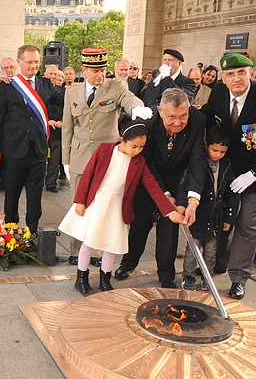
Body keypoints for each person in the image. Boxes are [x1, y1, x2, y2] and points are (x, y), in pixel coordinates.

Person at [59, 122, 185, 294]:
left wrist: (169, 211)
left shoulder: (139, 162)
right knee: (89, 241)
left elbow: (152, 186)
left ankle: (105, 277)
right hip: (98, 201)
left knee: (112, 243)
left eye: (141, 147)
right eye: (134, 146)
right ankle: (81, 277)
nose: (137, 151)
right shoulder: (105, 150)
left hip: (118, 206)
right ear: (122, 140)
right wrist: (80, 201)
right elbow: (88, 175)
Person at [201, 53, 256, 300]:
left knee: (247, 225)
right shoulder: (218, 92)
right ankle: (218, 263)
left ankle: (238, 277)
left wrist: (253, 174)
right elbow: (206, 116)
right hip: (225, 171)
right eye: (230, 74)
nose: (236, 79)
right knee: (219, 218)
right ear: (223, 78)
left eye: (241, 73)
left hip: (255, 174)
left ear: (250, 73)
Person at [61, 47, 147, 264]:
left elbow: (129, 99)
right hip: (80, 156)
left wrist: (137, 108)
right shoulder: (72, 91)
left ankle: (98, 250)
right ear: (84, 70)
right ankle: (76, 251)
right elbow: (68, 129)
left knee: (104, 205)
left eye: (102, 69)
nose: (99, 74)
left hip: (107, 159)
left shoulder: (115, 86)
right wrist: (65, 160)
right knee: (79, 203)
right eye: (93, 70)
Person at [115, 88, 206, 288]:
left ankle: (166, 275)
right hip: (150, 179)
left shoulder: (198, 121)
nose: (177, 123)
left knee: (169, 228)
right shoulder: (148, 122)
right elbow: (147, 163)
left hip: (179, 180)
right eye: (171, 117)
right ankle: (128, 263)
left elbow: (197, 162)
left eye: (183, 116)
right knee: (141, 223)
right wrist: (164, 195)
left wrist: (189, 201)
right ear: (160, 111)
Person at [0, 44, 65, 234]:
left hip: (38, 150)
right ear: (19, 62)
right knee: (12, 196)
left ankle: (32, 234)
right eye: (29, 62)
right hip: (13, 150)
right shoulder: (8, 85)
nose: (33, 66)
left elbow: (66, 101)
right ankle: (10, 235)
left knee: (35, 197)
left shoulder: (46, 84)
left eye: (36, 62)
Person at [179, 127, 238, 290]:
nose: (218, 154)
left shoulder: (226, 166)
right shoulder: (198, 163)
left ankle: (207, 275)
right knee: (193, 247)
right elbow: (187, 185)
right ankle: (188, 275)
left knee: (211, 249)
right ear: (206, 146)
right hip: (198, 214)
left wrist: (229, 217)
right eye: (215, 150)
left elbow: (231, 193)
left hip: (216, 216)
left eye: (222, 151)